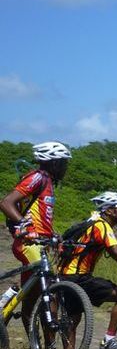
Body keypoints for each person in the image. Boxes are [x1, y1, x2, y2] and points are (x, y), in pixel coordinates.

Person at [58, 191, 117, 349]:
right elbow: (116, 249)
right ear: (108, 211)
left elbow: (113, 253)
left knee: (73, 318)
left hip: (65, 276)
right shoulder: (102, 225)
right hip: (79, 277)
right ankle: (108, 340)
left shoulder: (93, 222)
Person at [1, 141, 72, 332]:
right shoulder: (38, 177)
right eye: (64, 163)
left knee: (31, 297)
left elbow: (39, 217)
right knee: (49, 287)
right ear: (54, 163)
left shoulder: (48, 183)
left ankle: (5, 311)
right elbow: (7, 202)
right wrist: (24, 226)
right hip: (27, 244)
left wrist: (54, 235)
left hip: (39, 245)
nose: (66, 167)